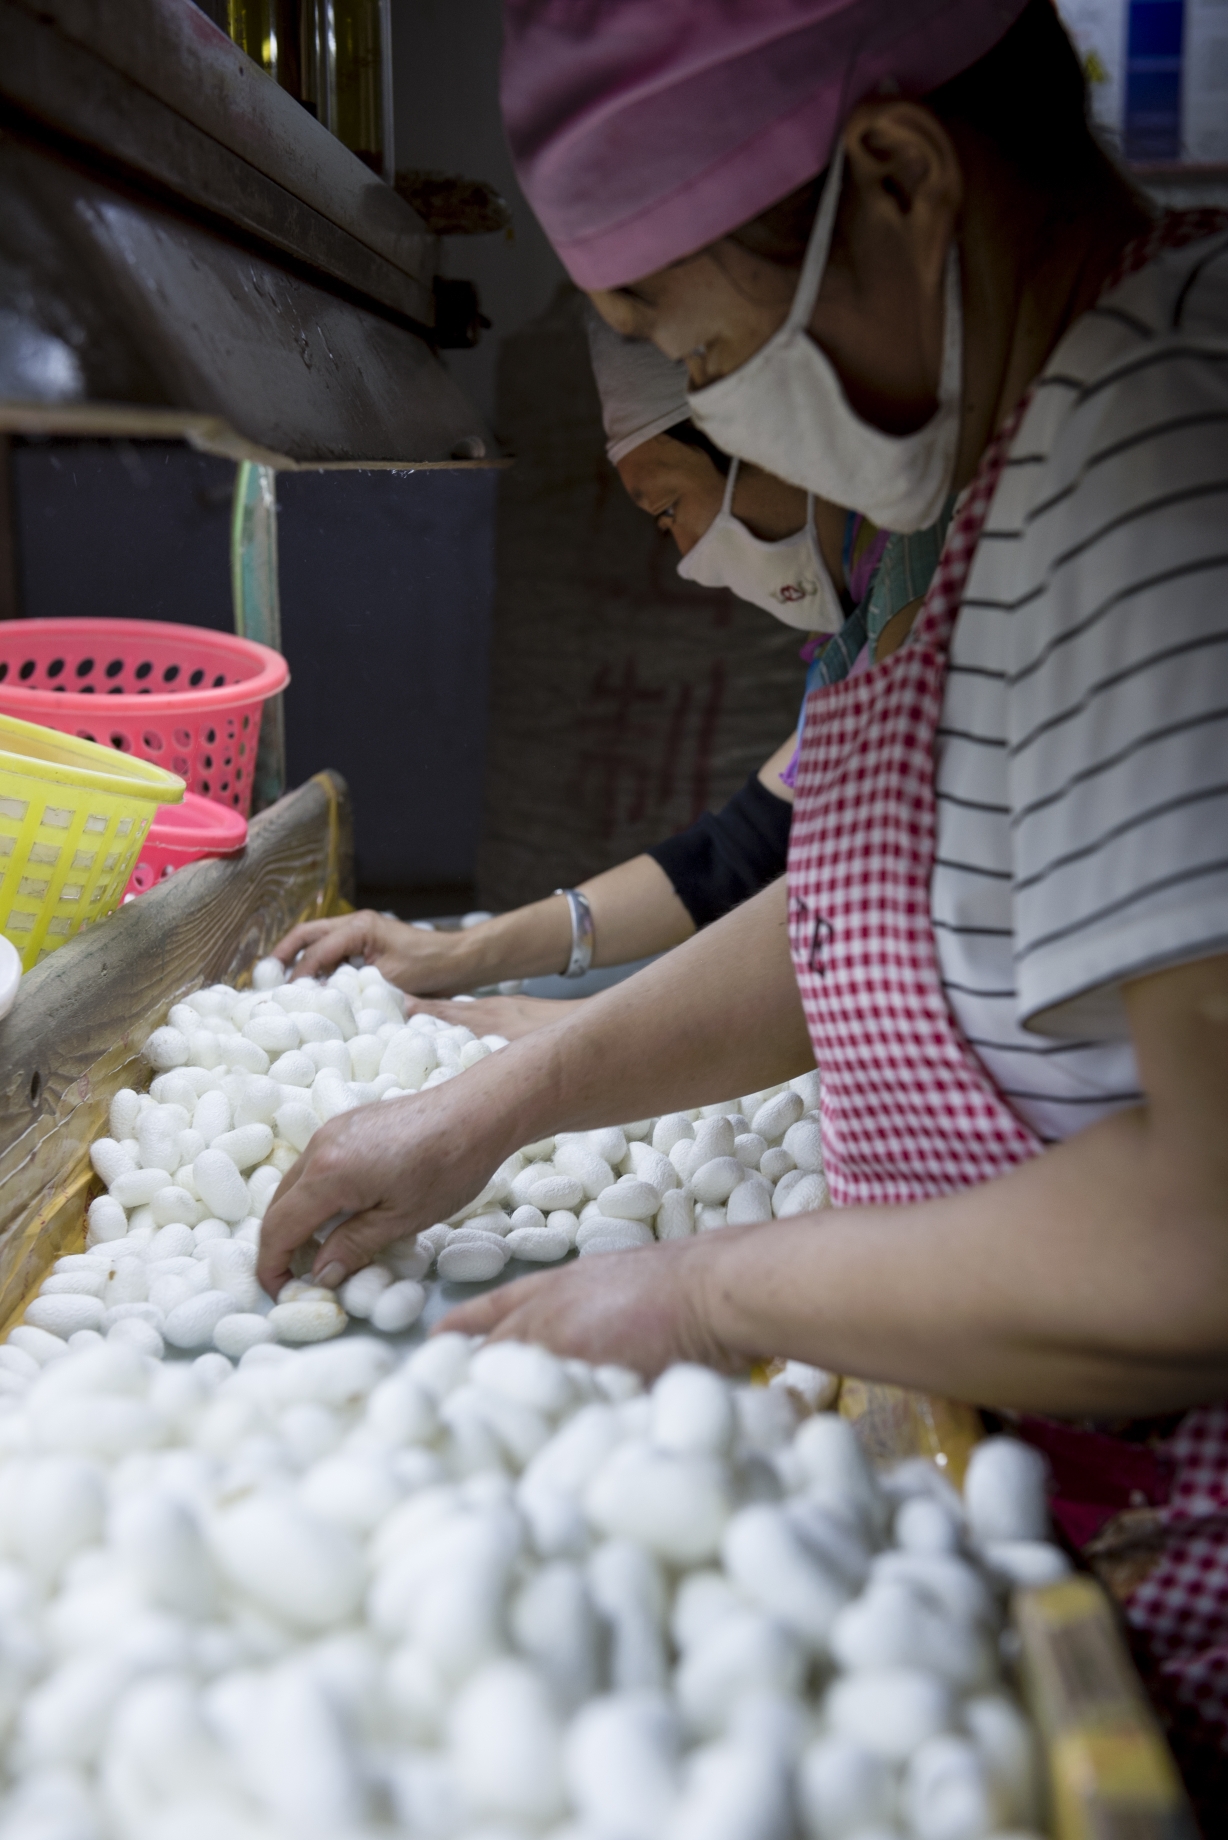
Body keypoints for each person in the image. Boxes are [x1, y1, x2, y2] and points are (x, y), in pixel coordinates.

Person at [260, 0, 1228, 1800]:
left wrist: (708, 1293)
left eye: (687, 338)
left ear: (892, 180)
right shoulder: (1016, 446)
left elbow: (1205, 1217)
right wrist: (508, 1094)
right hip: (1032, 1480)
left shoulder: (1144, 452)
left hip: (1178, 1592)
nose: (696, 396)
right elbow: (872, 898)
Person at [277, 308, 898, 1038]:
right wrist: (457, 953)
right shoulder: (871, 620)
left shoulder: (929, 594)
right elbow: (742, 849)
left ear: (772, 443)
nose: (687, 556)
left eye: (669, 508)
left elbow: (851, 920)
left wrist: (575, 1031)